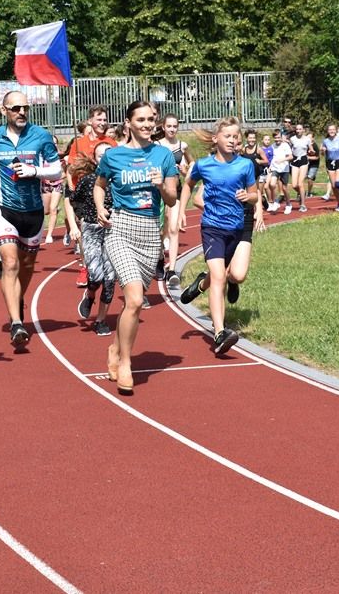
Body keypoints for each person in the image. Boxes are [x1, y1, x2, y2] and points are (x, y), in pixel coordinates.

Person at [94, 100, 178, 396]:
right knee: (134, 299)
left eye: (151, 119)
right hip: (120, 228)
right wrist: (100, 207)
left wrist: (161, 187)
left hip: (149, 232)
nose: (147, 124)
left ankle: (116, 349)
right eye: (140, 119)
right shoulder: (114, 156)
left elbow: (171, 199)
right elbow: (100, 184)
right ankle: (127, 363)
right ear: (128, 123)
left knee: (132, 303)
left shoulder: (164, 155)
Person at [0, 91, 62, 348]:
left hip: (34, 210)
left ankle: (17, 299)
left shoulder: (41, 136)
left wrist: (34, 171)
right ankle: (16, 322)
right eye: (16, 108)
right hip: (4, 209)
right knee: (10, 263)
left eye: (25, 107)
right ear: (5, 111)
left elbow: (57, 168)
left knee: (26, 266)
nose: (22, 112)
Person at [178, 118, 258, 356]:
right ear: (216, 139)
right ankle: (220, 332)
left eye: (236, 137)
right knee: (218, 277)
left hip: (237, 227)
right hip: (212, 228)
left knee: (238, 275)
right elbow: (188, 185)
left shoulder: (245, 165)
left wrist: (248, 197)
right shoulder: (203, 165)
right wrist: (182, 211)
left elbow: (255, 195)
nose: (233, 140)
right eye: (228, 136)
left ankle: (200, 283)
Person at [66, 106, 117, 288]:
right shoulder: (80, 143)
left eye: (105, 120)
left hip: (104, 191)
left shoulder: (111, 142)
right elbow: (71, 168)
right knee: (84, 232)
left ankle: (105, 265)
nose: (102, 123)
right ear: (90, 121)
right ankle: (85, 266)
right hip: (84, 191)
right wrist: (71, 185)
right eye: (99, 119)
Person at [72, 143, 116, 336]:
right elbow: (72, 199)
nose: (104, 158)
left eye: (108, 155)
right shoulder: (88, 180)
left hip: (114, 231)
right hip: (91, 229)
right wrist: (77, 223)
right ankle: (90, 296)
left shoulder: (119, 181)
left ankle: (101, 320)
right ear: (94, 159)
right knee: (96, 276)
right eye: (100, 156)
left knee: (110, 278)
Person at [157, 113, 190, 288]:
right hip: (160, 191)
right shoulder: (157, 146)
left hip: (175, 190)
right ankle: (161, 257)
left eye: (174, 126)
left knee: (174, 228)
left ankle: (172, 270)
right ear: (163, 127)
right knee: (162, 229)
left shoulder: (182, 146)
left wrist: (184, 170)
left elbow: (191, 168)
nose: (171, 129)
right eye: (168, 126)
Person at [41, 136, 65, 243]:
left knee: (53, 209)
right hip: (45, 185)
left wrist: (56, 178)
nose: (53, 144)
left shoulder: (61, 157)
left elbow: (65, 173)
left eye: (55, 143)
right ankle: (54, 210)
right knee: (45, 211)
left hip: (57, 185)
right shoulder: (41, 155)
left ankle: (49, 235)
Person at [320, 124, 339, 210]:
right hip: (330, 162)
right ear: (327, 131)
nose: (331, 131)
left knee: (338, 183)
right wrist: (322, 151)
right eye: (330, 130)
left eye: (333, 129)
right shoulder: (325, 141)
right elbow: (322, 153)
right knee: (333, 186)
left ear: (336, 130)